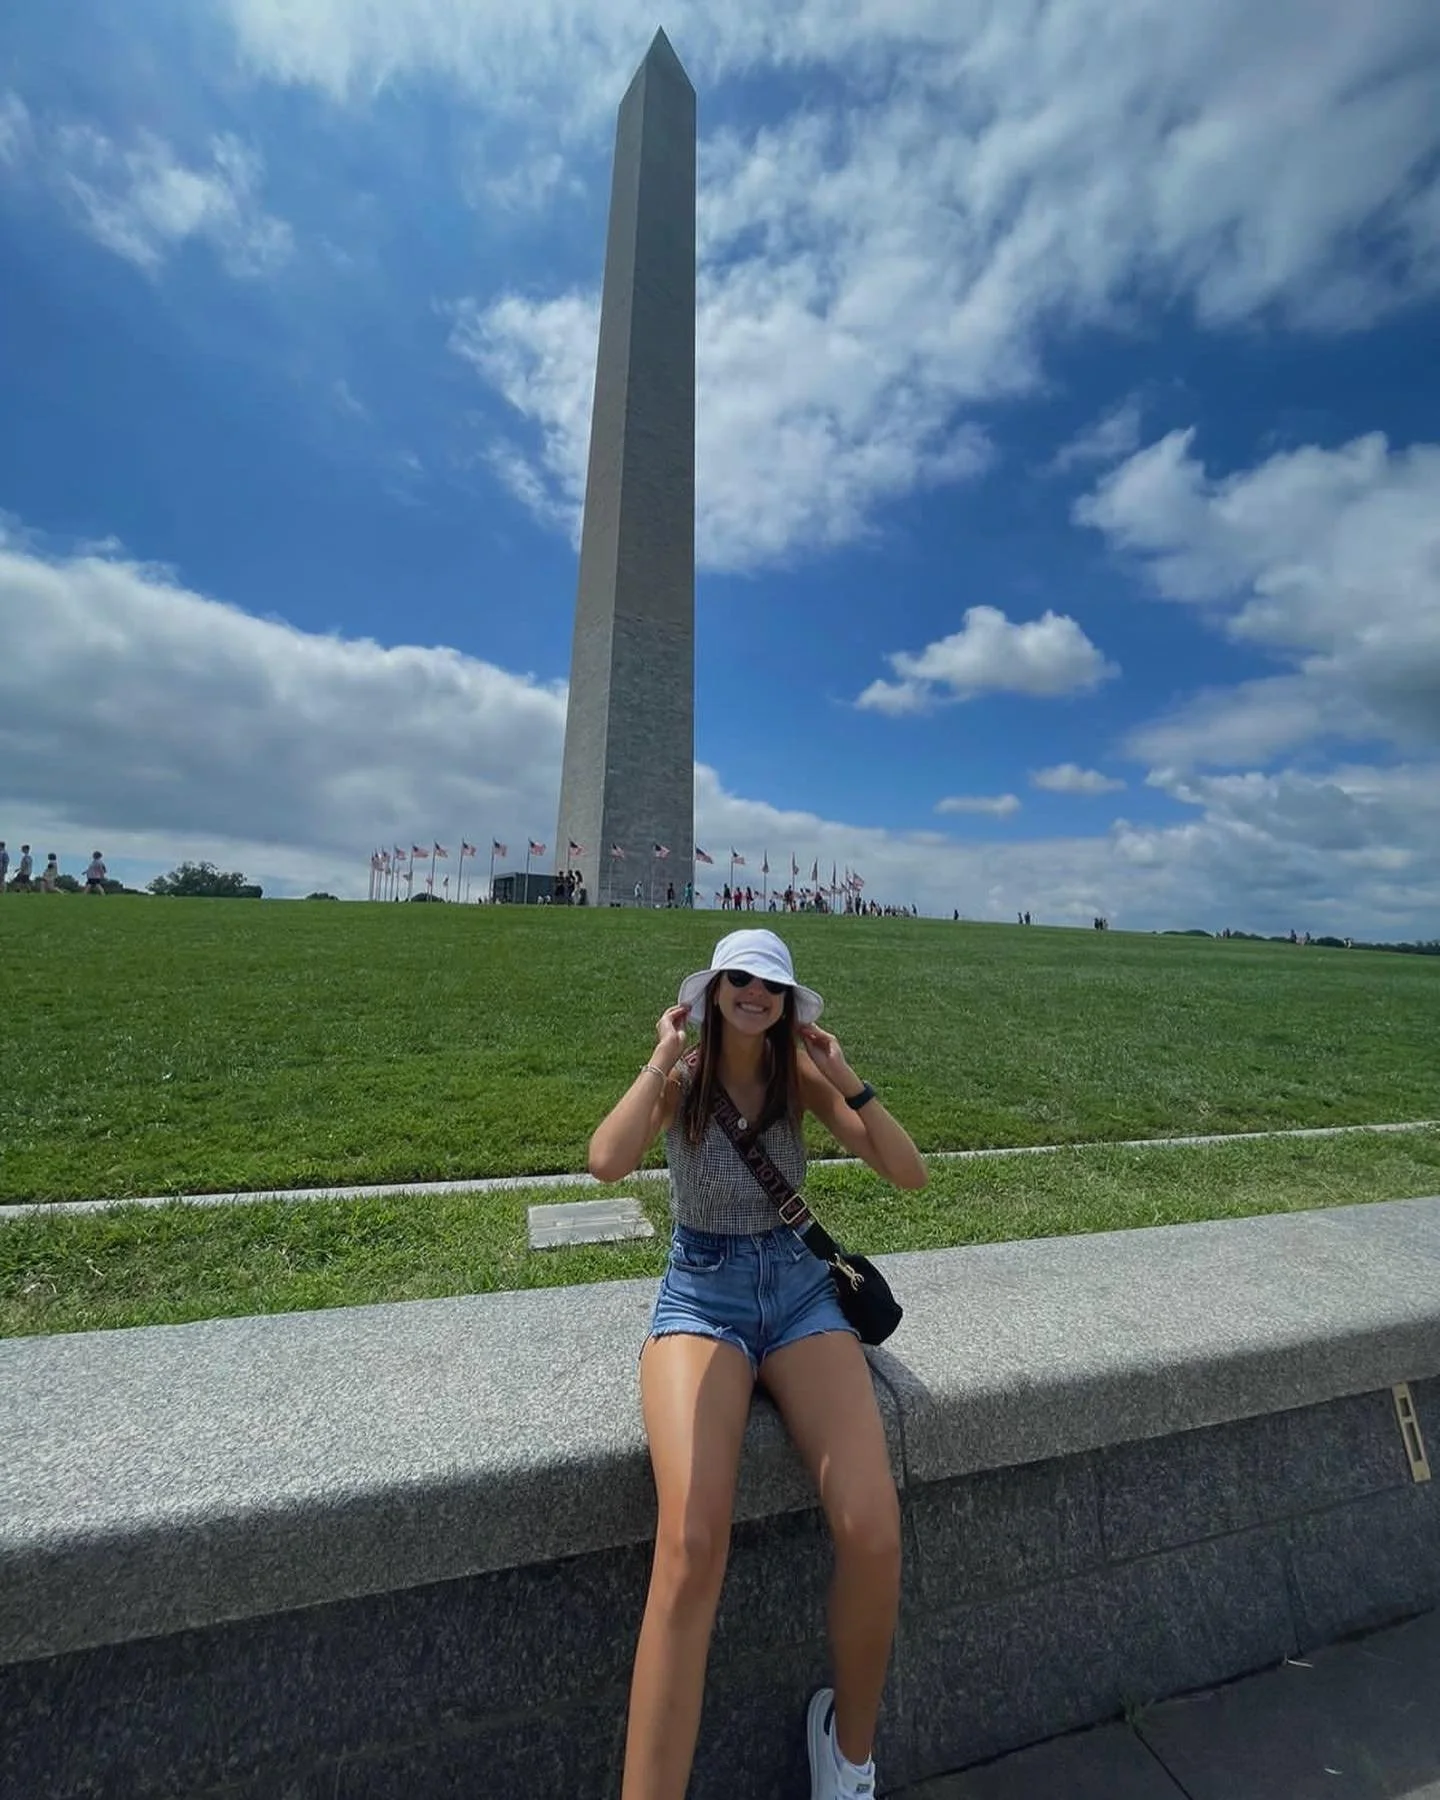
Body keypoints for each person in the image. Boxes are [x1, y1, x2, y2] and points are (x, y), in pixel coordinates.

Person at [589, 928, 927, 1800]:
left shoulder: (798, 1078)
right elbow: (607, 1160)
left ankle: (849, 1762)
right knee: (692, 1545)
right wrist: (660, 1056)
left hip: (802, 1293)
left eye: (769, 984)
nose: (753, 993)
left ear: (785, 1000)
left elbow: (907, 1171)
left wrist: (845, 1072)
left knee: (872, 1528)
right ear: (711, 992)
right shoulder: (684, 1080)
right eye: (737, 979)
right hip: (703, 1295)